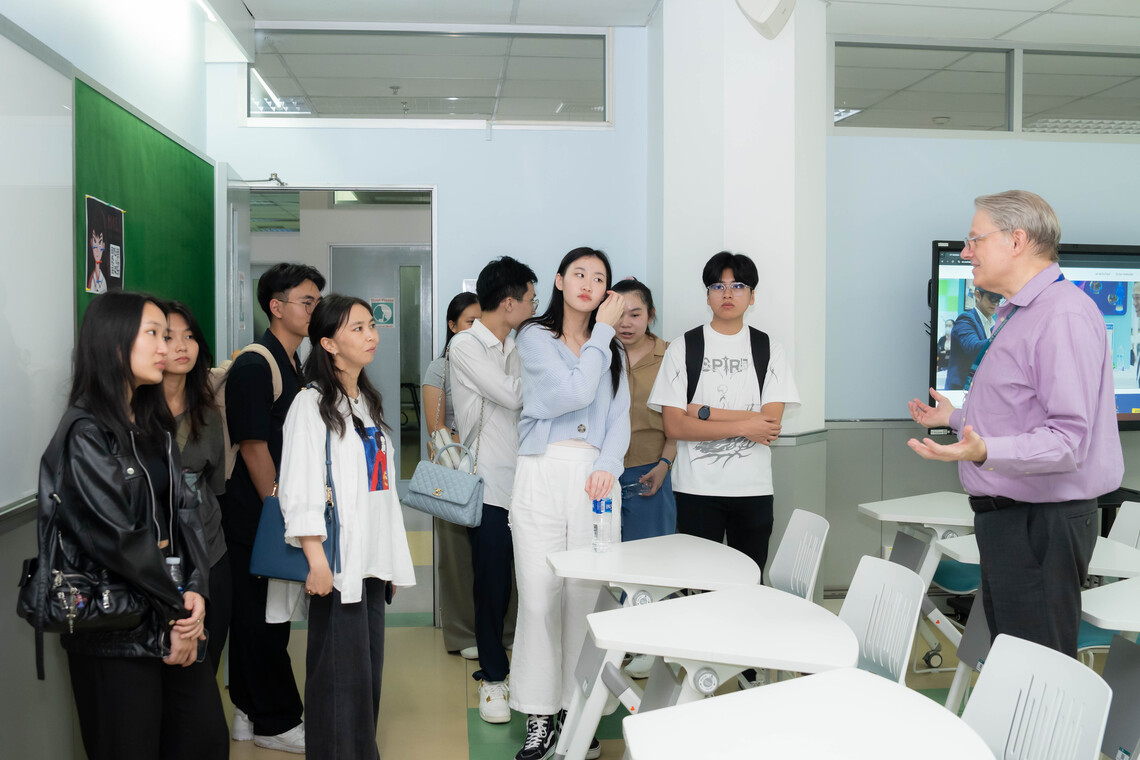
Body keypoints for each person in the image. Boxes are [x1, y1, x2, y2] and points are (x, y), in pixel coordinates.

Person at [908, 190, 1124, 656]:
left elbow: (1067, 440)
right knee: (1016, 660)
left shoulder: (1061, 315)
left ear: (1017, 241)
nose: (966, 251)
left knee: (1036, 669)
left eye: (975, 240)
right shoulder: (1024, 312)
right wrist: (956, 418)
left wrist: (985, 450)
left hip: (1039, 524)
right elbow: (1020, 410)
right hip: (1017, 521)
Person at [49, 291, 227, 760]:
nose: (166, 348)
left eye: (167, 336)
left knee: (205, 740)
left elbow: (186, 514)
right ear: (114, 343)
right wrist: (179, 613)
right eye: (154, 334)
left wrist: (196, 593)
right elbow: (120, 543)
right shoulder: (86, 433)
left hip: (171, 613)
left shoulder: (152, 424)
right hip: (117, 630)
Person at [274, 295, 416, 760]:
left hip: (369, 562)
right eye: (357, 328)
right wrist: (316, 559)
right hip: (336, 564)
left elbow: (380, 493)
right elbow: (299, 488)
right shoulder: (310, 404)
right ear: (329, 343)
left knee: (365, 676)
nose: (371, 335)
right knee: (337, 679)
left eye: (371, 325)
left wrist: (388, 559)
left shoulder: (364, 402)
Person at [509, 247, 629, 760]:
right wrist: (603, 333)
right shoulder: (535, 336)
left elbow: (619, 417)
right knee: (539, 598)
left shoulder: (613, 350)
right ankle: (539, 714)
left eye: (598, 278)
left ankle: (575, 712)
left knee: (585, 602)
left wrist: (609, 464)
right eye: (579, 274)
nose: (587, 283)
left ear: (607, 291)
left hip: (594, 480)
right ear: (559, 281)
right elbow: (571, 393)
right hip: (541, 471)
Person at [220, 261, 325, 752]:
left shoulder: (294, 362)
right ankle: (276, 721)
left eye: (317, 301)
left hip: (267, 511)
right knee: (262, 620)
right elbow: (253, 446)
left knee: (256, 615)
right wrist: (277, 510)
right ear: (276, 306)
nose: (315, 310)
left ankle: (247, 710)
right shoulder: (255, 364)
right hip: (255, 515)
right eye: (307, 301)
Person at [648, 251, 800, 579]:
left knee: (749, 583)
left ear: (752, 296)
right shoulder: (683, 347)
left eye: (738, 286)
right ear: (707, 295)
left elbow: (769, 426)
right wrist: (746, 424)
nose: (727, 293)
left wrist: (700, 412)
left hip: (753, 491)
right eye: (718, 286)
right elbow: (674, 426)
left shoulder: (769, 348)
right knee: (698, 585)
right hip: (695, 490)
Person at [448, 256, 537, 724]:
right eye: (531, 299)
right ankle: (494, 678)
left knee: (531, 583)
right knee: (492, 585)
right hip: (488, 486)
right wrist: (552, 381)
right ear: (508, 303)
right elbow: (513, 395)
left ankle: (525, 670)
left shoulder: (518, 344)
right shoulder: (465, 345)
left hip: (529, 481)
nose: (535, 307)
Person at [161, 300, 230, 673]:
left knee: (206, 662)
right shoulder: (132, 413)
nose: (182, 346)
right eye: (168, 337)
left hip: (210, 552)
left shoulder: (207, 413)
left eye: (189, 337)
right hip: (156, 561)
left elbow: (214, 484)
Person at [422, 291, 481, 659]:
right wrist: (465, 454)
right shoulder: (440, 367)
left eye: (481, 321)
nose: (476, 328)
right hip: (455, 469)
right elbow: (436, 428)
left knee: (500, 553)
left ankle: (503, 629)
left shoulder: (499, 361)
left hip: (494, 469)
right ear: (452, 325)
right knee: (457, 556)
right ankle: (462, 633)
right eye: (470, 322)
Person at [612, 278, 677, 542]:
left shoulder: (672, 356)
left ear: (651, 315)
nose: (625, 323)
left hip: (651, 472)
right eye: (618, 315)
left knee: (650, 556)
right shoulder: (597, 354)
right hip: (603, 470)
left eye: (635, 314)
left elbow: (679, 420)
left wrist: (664, 464)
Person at [944, 286, 1002, 390]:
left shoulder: (992, 325)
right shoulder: (965, 320)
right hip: (961, 389)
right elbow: (973, 348)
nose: (996, 303)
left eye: (998, 299)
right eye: (992, 298)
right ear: (978, 295)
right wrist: (1003, 333)